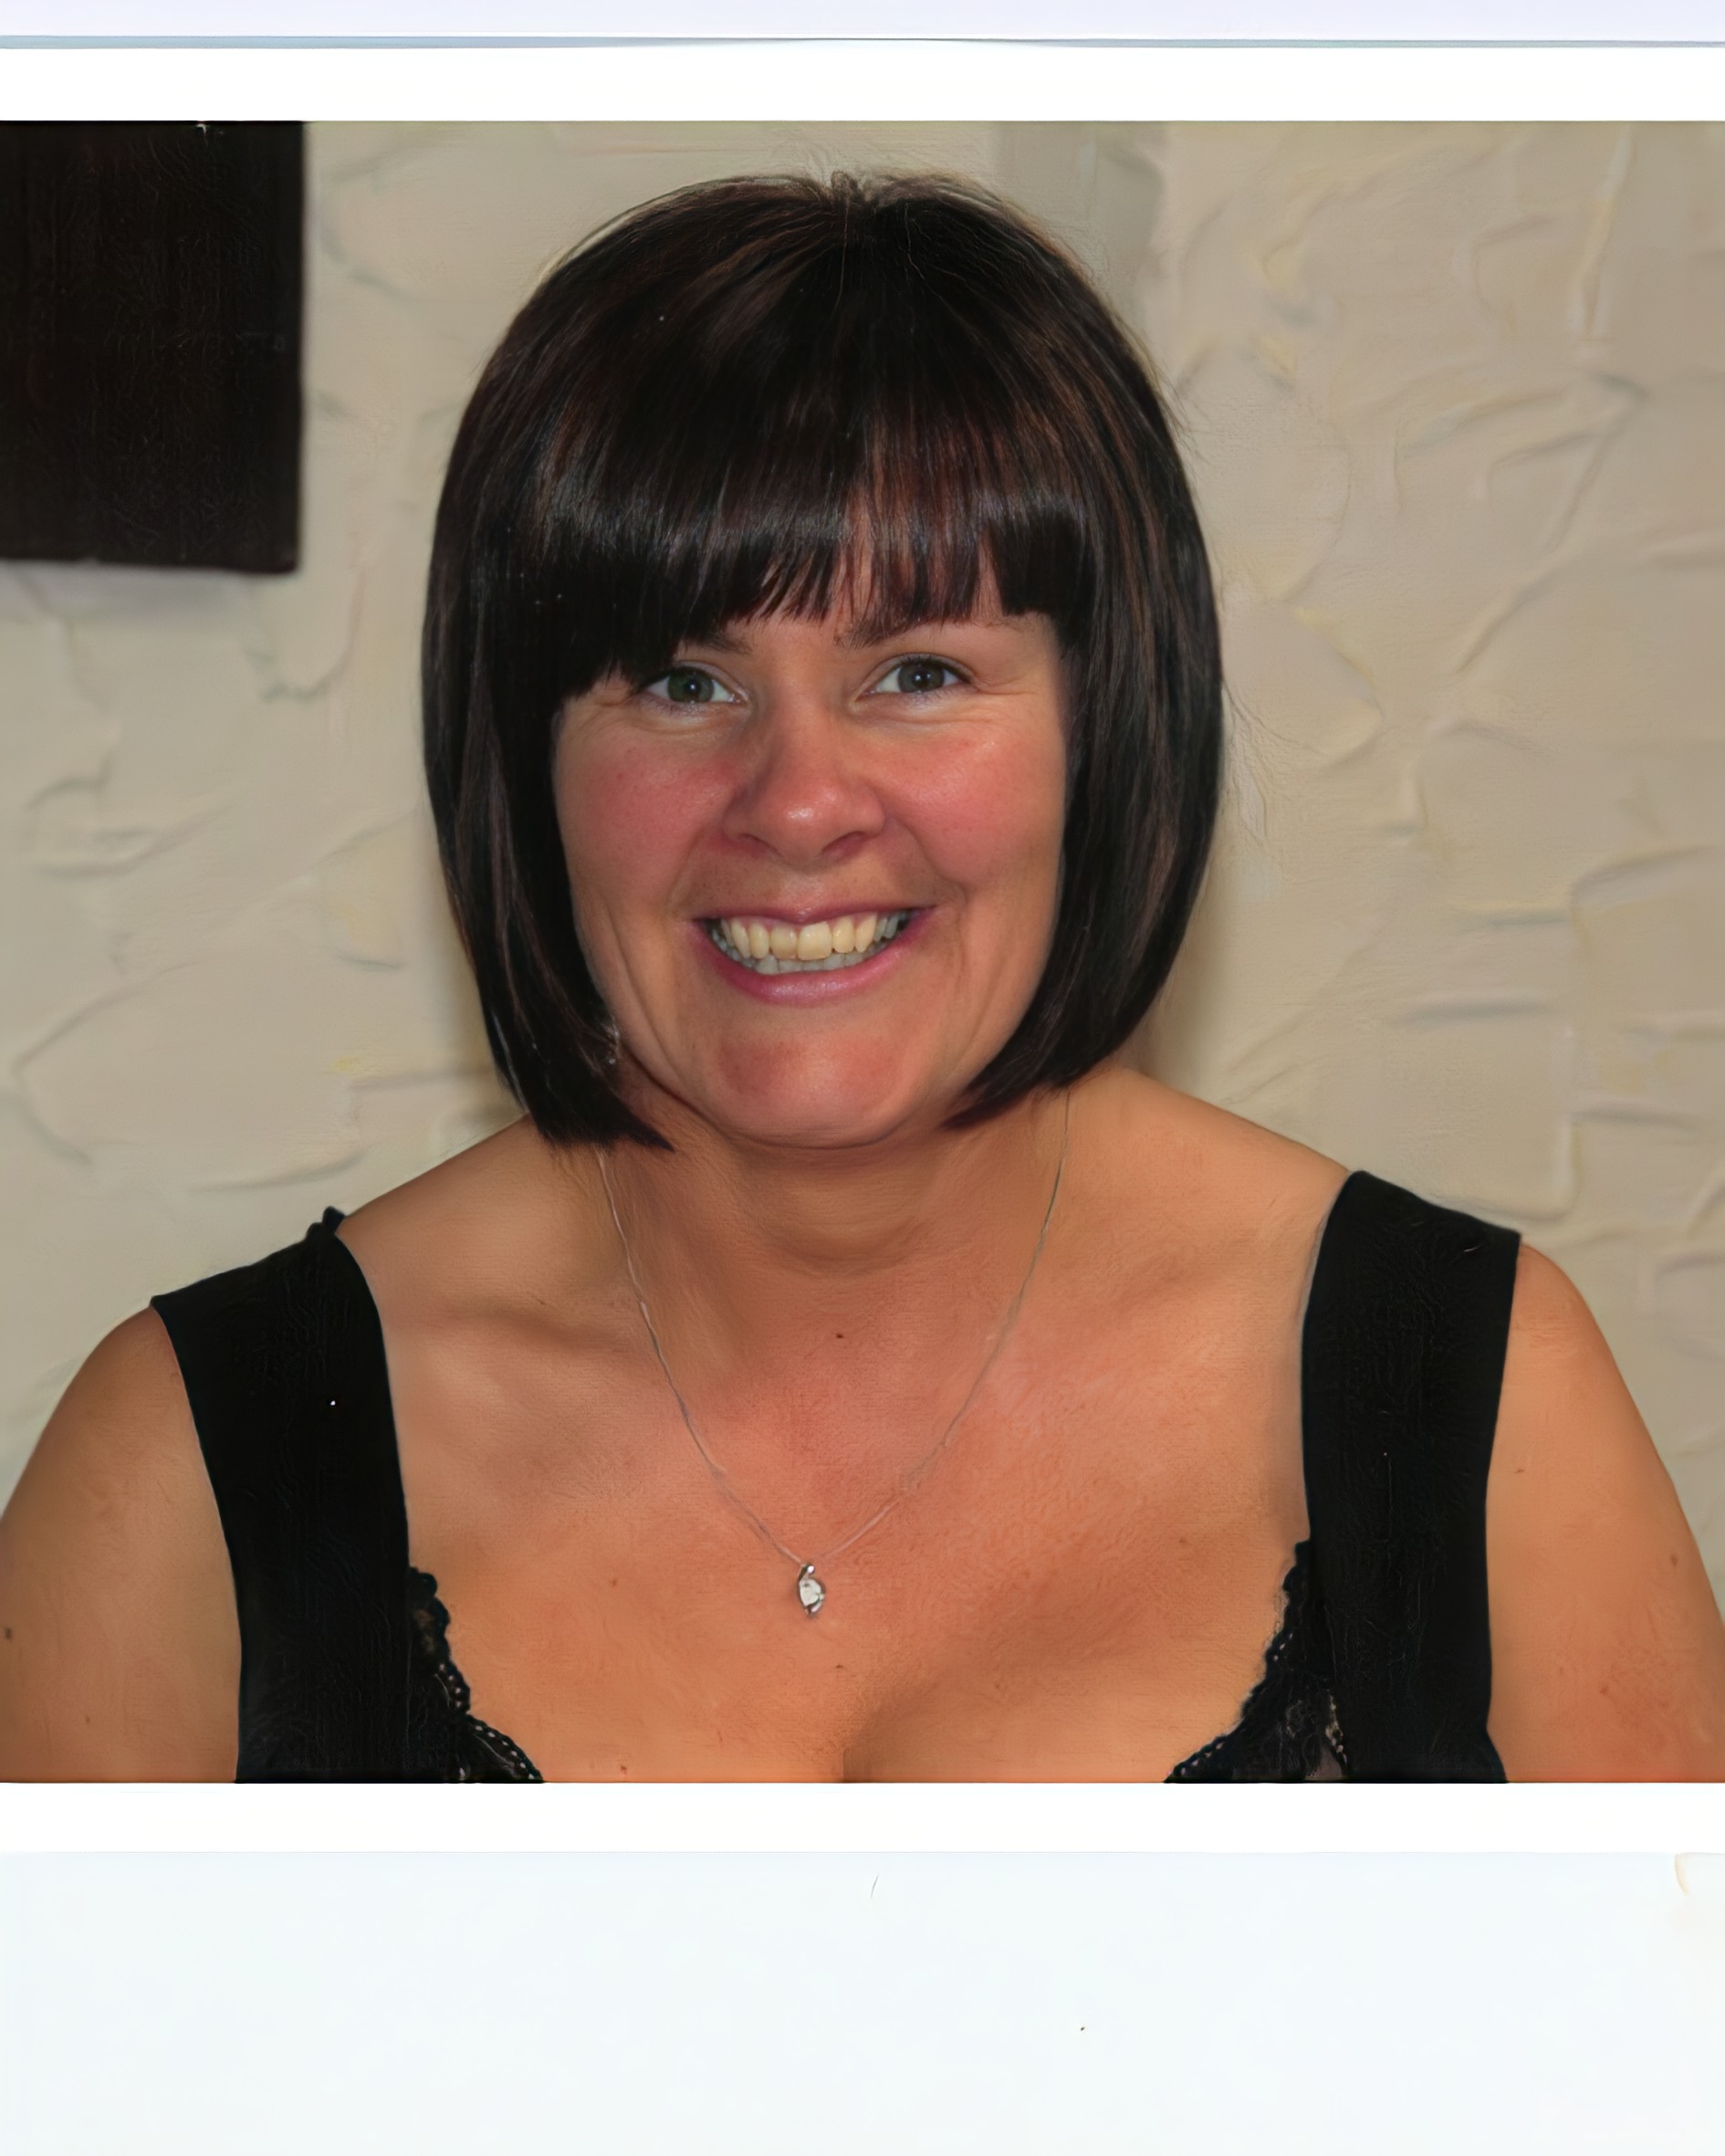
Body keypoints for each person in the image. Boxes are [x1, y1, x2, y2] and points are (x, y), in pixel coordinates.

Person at [3, 172, 1723, 1784]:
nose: (799, 802)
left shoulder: (1478, 1397)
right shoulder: (180, 1479)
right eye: (681, 681)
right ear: (523, 767)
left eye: (915, 670)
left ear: (1107, 732)